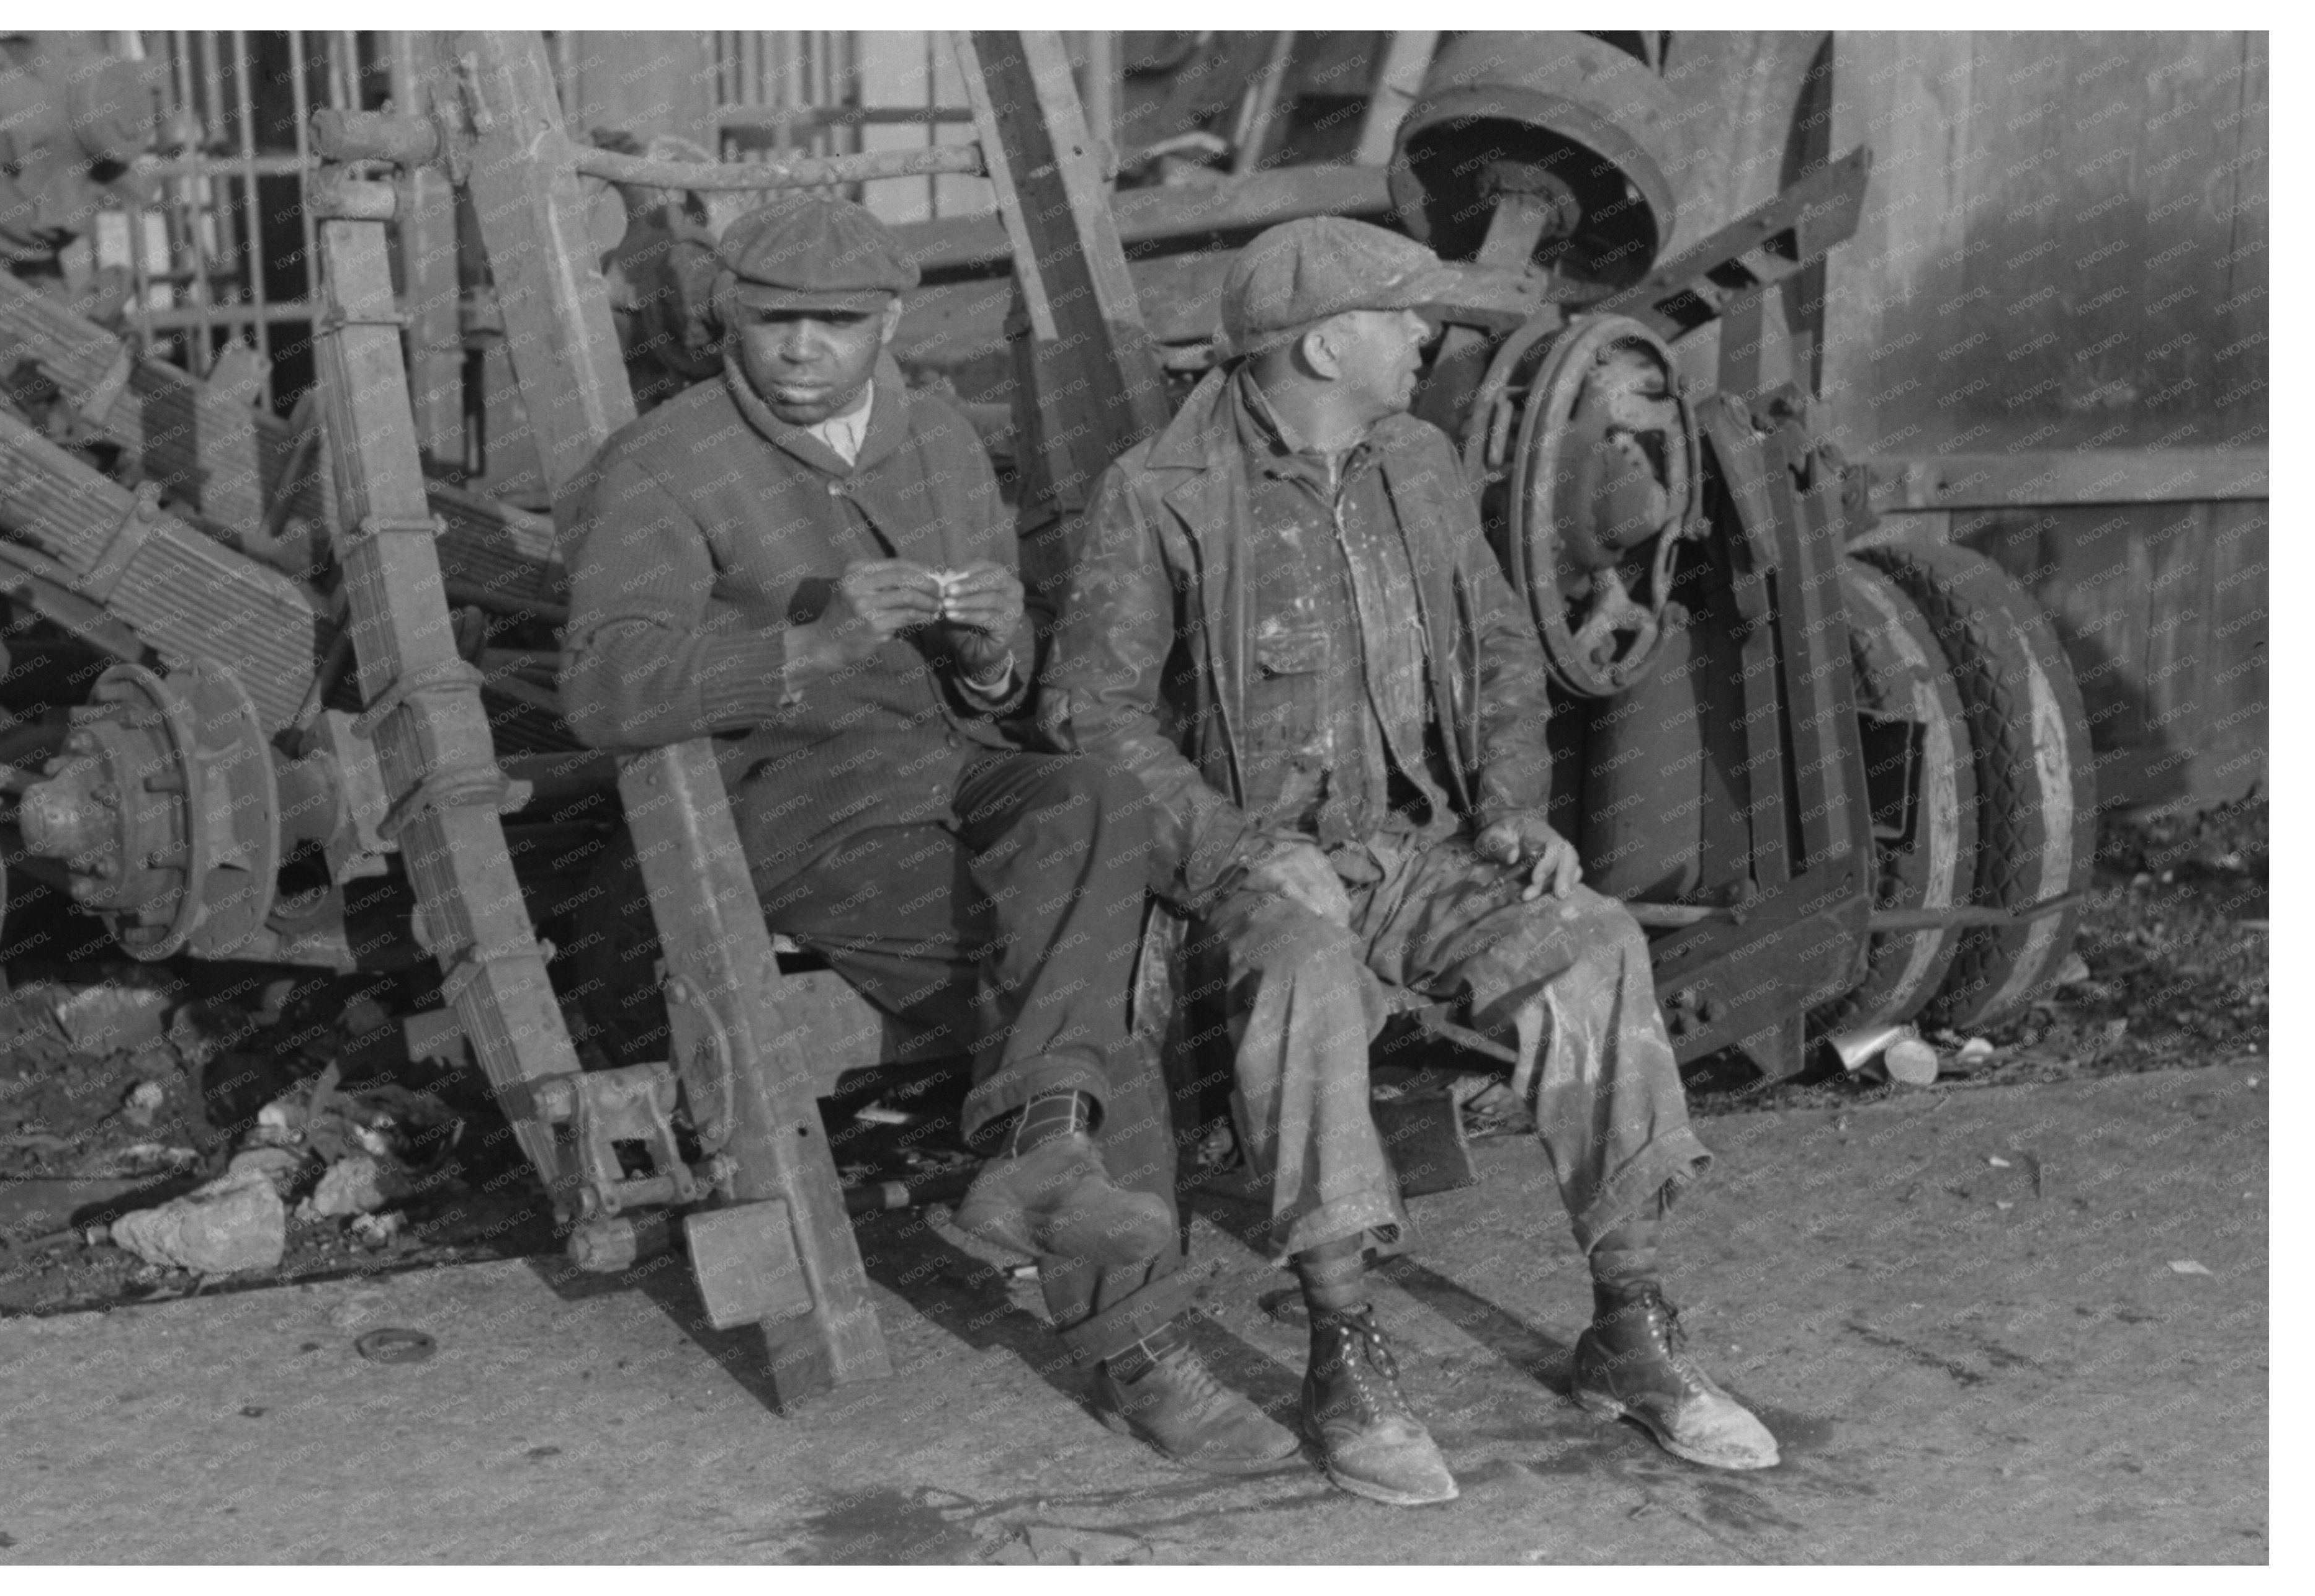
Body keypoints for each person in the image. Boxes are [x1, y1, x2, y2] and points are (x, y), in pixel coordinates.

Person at [1039, 216, 1781, 1507]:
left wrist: (1516, 807)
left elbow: (1497, 645)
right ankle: (1343, 1350)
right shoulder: (1158, 490)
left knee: (1593, 943)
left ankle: (1632, 1322)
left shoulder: (1418, 460)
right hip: (1249, 873)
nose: (1425, 337)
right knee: (1308, 979)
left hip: (1422, 850)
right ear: (1327, 342)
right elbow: (1089, 715)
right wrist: (1237, 850)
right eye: (1403, 317)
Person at [560, 195, 1295, 1474]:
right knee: (1098, 1008)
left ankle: (1037, 1151)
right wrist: (805, 647)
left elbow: (995, 696)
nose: (799, 349)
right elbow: (605, 688)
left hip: (951, 768)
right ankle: (1135, 1346)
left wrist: (996, 650)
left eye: (833, 324)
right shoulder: (664, 462)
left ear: (885, 323)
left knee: (1092, 796)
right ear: (727, 316)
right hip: (799, 810)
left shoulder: (941, 434)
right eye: (771, 319)